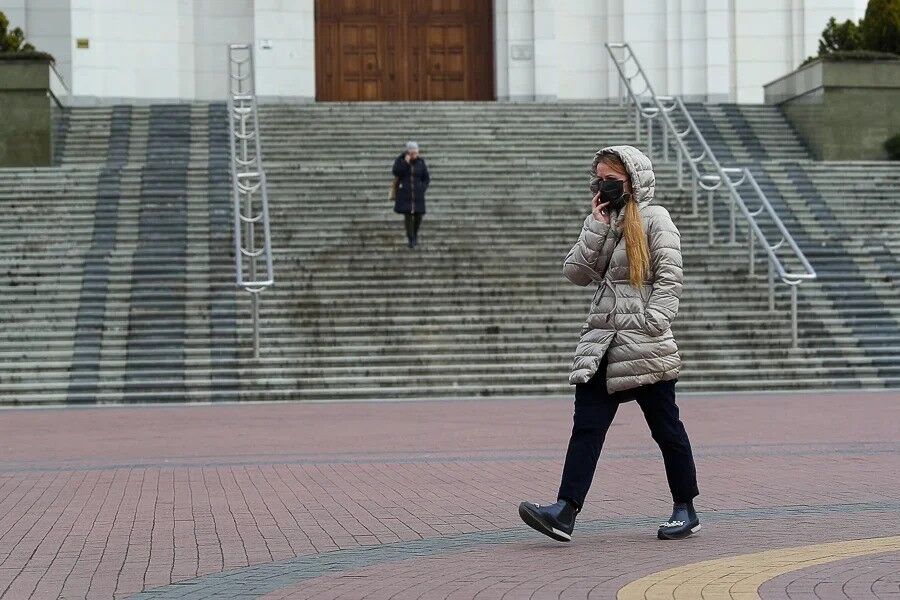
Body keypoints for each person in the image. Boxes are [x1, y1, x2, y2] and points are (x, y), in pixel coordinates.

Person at [518, 145, 701, 542]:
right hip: (602, 343)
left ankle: (685, 507)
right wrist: (596, 225)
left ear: (633, 181)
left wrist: (652, 323)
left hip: (644, 346)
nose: (603, 186)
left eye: (612, 180)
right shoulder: (606, 221)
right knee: (587, 427)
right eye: (599, 179)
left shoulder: (655, 218)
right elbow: (576, 273)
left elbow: (670, 279)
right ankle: (565, 511)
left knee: (666, 430)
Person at [392, 141, 431, 248]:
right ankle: (411, 239)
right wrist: (405, 163)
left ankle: (415, 235)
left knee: (418, 216)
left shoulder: (421, 162)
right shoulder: (400, 160)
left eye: (416, 153)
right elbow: (396, 172)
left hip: (418, 195)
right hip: (405, 194)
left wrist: (422, 187)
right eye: (413, 153)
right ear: (408, 152)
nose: (415, 155)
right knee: (408, 216)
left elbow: (426, 178)